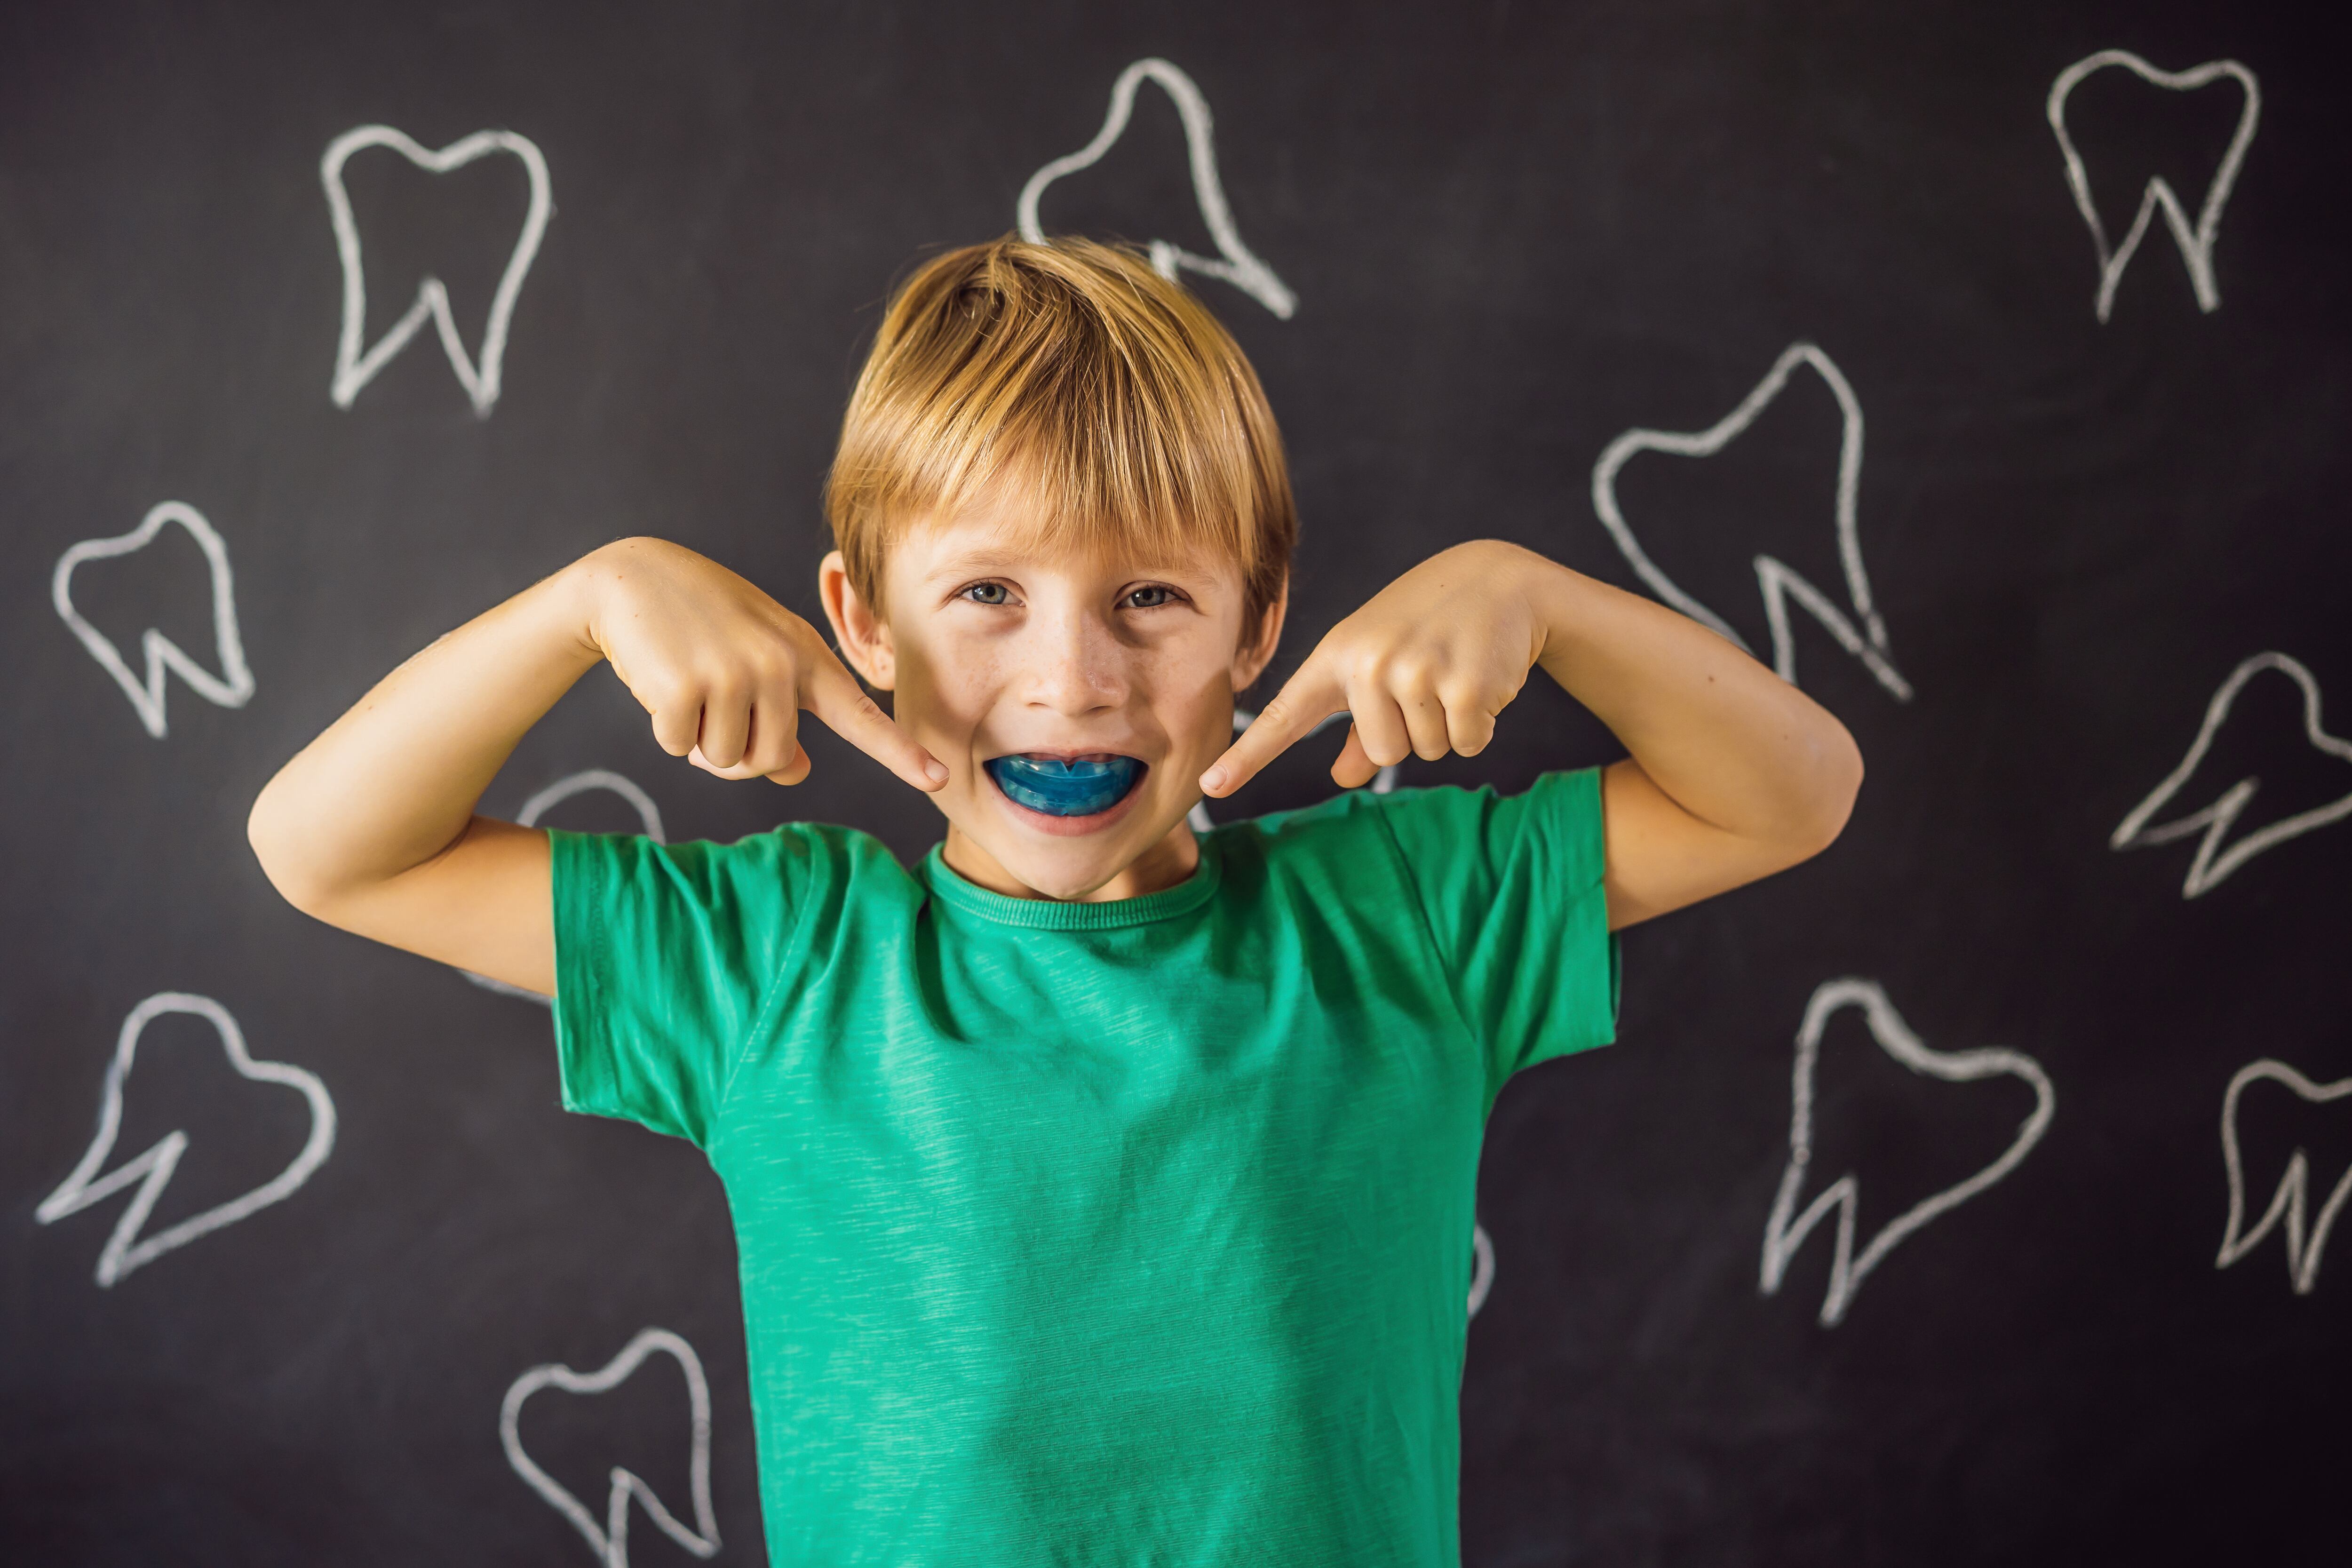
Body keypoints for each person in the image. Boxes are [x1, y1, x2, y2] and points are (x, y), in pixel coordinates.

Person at [247, 237, 1860, 1566]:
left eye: (1152, 598)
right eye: (987, 599)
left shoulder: (1407, 916)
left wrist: (1542, 597)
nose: (1071, 680)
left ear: (1262, 622)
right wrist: (583, 600)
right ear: (857, 623)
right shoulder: (776, 961)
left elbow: (1793, 794)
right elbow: (332, 850)